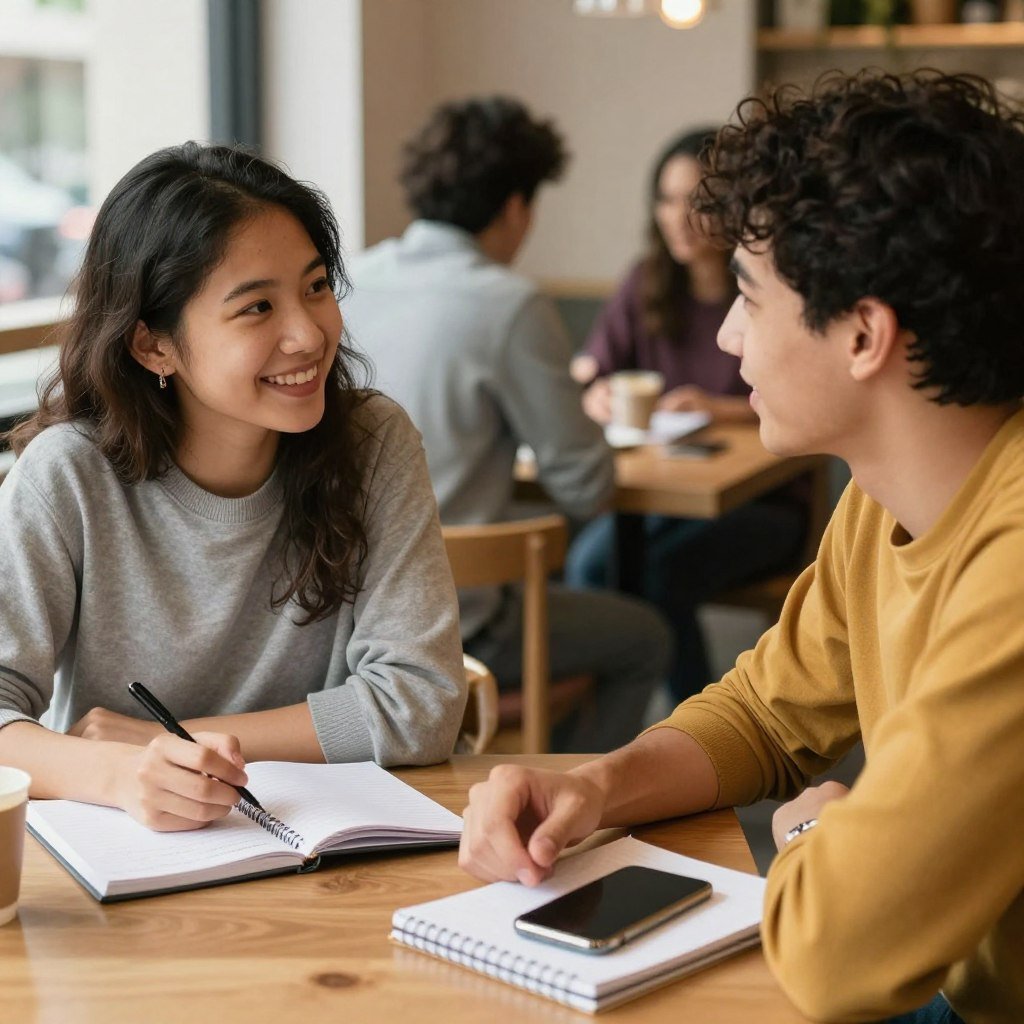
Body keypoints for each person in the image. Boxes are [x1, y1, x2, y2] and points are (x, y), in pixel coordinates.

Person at [458, 70, 1024, 1024]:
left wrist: (811, 831)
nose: (727, 335)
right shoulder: (880, 498)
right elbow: (766, 713)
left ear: (863, 336)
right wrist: (594, 785)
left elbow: (839, 952)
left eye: (750, 300)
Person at [0, 142, 466, 834]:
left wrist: (173, 740)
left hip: (324, 854)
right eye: (256, 308)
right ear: (153, 346)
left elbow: (419, 704)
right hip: (127, 853)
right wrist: (121, 774)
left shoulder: (371, 443)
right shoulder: (68, 475)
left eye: (315, 287)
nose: (309, 334)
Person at [344, 97, 671, 753]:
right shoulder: (509, 303)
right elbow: (585, 486)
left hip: (340, 607)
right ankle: (574, 799)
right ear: (517, 207)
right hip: (460, 618)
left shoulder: (349, 277)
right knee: (644, 638)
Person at [565, 128, 806, 702]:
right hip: (663, 496)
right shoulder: (646, 282)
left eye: (696, 201)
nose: (679, 216)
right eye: (666, 199)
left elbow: (801, 394)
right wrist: (593, 393)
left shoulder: (765, 283)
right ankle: (604, 728)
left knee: (657, 575)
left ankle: (695, 728)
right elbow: (592, 369)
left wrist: (717, 408)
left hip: (763, 501)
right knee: (591, 561)